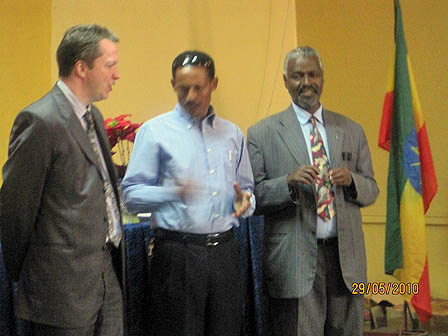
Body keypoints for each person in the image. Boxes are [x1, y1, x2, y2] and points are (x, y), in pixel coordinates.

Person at [0, 24, 124, 336]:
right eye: (110, 66)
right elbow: (16, 211)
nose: (117, 74)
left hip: (104, 278)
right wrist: (31, 277)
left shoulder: (92, 116)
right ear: (82, 68)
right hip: (58, 291)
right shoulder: (40, 121)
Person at [247, 46, 379, 336]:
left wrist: (353, 181)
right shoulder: (262, 133)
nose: (306, 82)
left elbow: (372, 189)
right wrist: (288, 183)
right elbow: (251, 198)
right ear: (285, 81)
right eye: (297, 76)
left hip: (347, 261)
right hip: (294, 261)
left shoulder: (351, 130)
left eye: (313, 74)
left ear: (322, 78)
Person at [122, 50, 255, 336]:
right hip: (176, 254)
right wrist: (172, 193)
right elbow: (131, 196)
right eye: (183, 88)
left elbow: (247, 191)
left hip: (225, 253)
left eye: (199, 87)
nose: (191, 96)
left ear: (214, 84)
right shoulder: (154, 132)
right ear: (173, 85)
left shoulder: (233, 134)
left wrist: (246, 201)